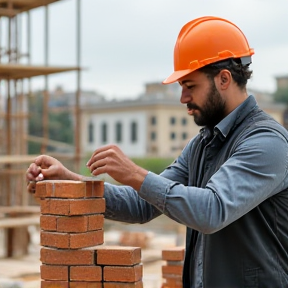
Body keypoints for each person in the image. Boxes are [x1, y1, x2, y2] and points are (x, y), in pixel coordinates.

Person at [26, 16, 288, 287]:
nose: (183, 99)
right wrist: (72, 181)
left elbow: (212, 210)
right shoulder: (202, 146)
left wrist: (135, 173)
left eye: (190, 86)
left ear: (224, 79)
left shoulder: (266, 142)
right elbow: (142, 204)